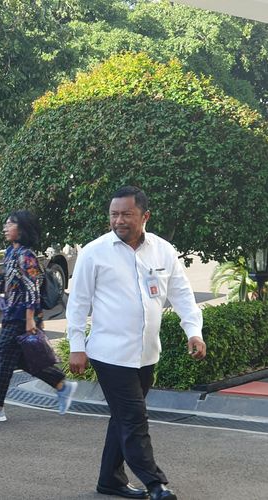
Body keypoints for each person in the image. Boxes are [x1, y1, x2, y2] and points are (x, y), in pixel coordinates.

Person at [66, 186, 206, 500]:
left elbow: (182, 295)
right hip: (109, 353)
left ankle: (110, 480)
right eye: (114, 214)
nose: (119, 220)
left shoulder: (163, 251)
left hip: (146, 354)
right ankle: (156, 484)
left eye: (127, 214)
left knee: (123, 418)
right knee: (134, 418)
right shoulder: (94, 252)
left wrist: (193, 331)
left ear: (145, 216)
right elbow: (77, 303)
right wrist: (77, 345)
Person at [0, 210, 77, 422]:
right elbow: (7, 281)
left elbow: (32, 288)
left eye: (11, 223)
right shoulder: (11, 252)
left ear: (22, 229)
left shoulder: (27, 256)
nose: (5, 227)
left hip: (22, 317)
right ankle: (62, 386)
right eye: (6, 223)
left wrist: (30, 320)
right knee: (27, 361)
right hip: (13, 313)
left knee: (1, 358)